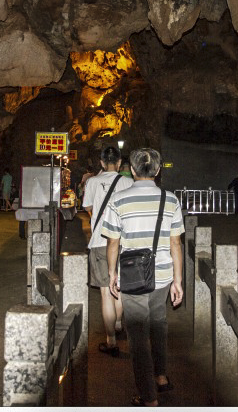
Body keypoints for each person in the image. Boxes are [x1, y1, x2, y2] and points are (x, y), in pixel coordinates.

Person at [102, 148, 184, 407]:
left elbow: (113, 243)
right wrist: (178, 280)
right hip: (163, 275)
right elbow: (176, 243)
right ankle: (161, 376)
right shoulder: (170, 200)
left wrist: (112, 274)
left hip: (133, 275)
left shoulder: (119, 200)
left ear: (132, 170)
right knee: (159, 324)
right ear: (157, 171)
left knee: (137, 335)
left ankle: (148, 397)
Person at [83, 146, 134, 358]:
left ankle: (111, 339)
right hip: (123, 241)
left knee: (106, 291)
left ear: (102, 163)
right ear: (120, 162)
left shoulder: (92, 182)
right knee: (119, 287)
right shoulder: (129, 182)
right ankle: (119, 322)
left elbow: (88, 208)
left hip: (100, 241)